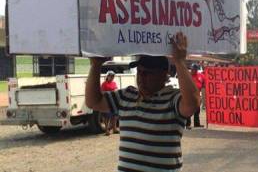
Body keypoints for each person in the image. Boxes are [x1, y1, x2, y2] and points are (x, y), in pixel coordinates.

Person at [85, 32, 200, 171]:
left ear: (163, 75)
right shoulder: (127, 95)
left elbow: (192, 104)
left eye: (147, 73)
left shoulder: (172, 98)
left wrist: (179, 62)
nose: (141, 78)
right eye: (139, 72)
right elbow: (93, 102)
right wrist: (95, 66)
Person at [186, 63, 205, 129]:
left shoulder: (201, 76)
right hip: (189, 95)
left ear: (196, 69)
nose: (193, 70)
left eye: (194, 69)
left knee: (197, 110)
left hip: (197, 95)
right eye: (192, 69)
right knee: (189, 110)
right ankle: (187, 124)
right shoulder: (187, 75)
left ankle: (197, 124)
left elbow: (204, 83)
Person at [100, 70, 119, 135]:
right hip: (106, 102)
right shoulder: (104, 84)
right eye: (110, 76)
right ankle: (107, 130)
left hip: (113, 101)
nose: (112, 78)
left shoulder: (114, 83)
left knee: (114, 116)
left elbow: (116, 90)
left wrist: (115, 91)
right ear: (107, 76)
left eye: (113, 76)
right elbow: (102, 92)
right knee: (106, 116)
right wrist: (110, 92)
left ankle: (114, 129)